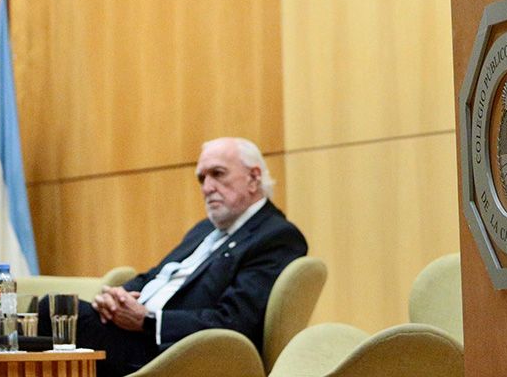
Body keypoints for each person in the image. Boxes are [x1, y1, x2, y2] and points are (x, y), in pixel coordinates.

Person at [40, 137, 307, 377]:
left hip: (171, 354)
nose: (207, 187)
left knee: (51, 313)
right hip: (135, 335)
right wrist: (116, 297)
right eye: (202, 178)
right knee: (29, 324)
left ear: (253, 178)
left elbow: (234, 323)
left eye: (217, 174)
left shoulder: (276, 236)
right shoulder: (205, 229)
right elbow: (156, 275)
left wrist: (147, 321)